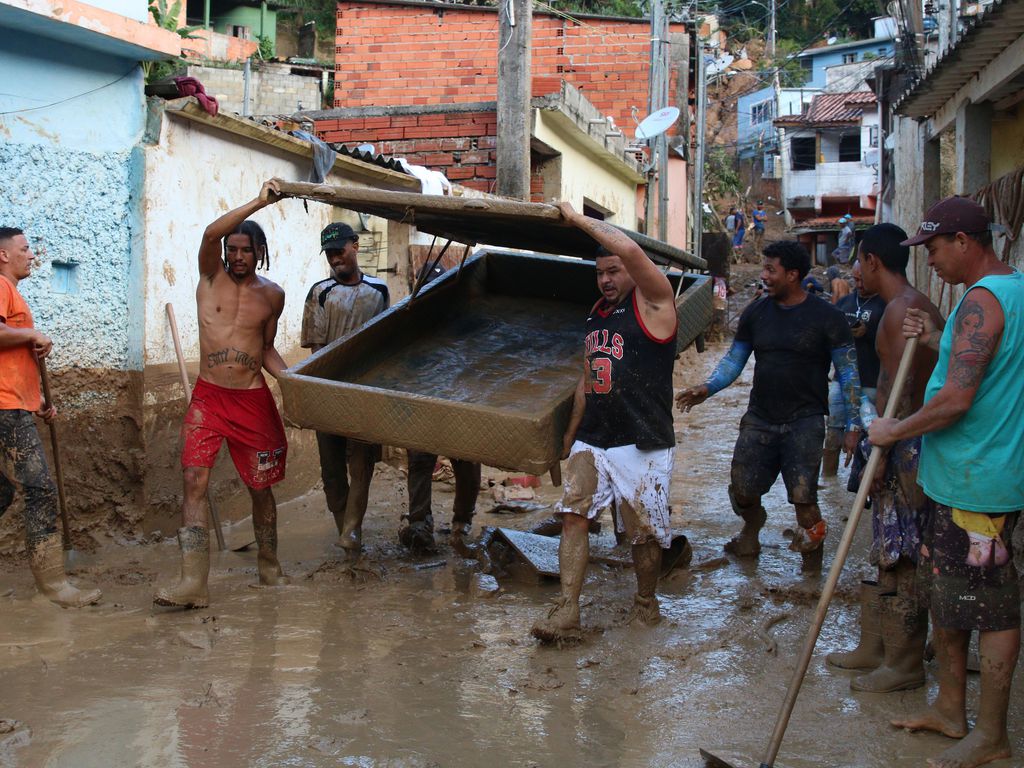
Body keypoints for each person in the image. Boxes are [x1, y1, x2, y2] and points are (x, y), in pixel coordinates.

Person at [869, 197, 1022, 768]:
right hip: (959, 474)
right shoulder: (1008, 292)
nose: (929, 262)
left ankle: (991, 734)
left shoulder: (983, 301)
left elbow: (957, 398)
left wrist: (893, 430)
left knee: (994, 610)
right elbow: (983, 367)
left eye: (932, 248)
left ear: (963, 241)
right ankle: (951, 709)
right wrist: (936, 336)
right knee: (950, 598)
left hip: (979, 482)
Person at [531, 201, 679, 644]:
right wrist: (569, 438)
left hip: (643, 439)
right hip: (594, 438)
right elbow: (587, 379)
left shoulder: (656, 302)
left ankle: (646, 604)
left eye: (613, 270)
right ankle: (567, 609)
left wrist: (577, 219)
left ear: (632, 270)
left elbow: (633, 253)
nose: (607, 279)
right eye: (600, 273)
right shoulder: (596, 313)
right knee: (573, 516)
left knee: (642, 534)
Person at [677, 241, 863, 572]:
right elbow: (734, 360)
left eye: (770, 270)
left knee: (805, 500)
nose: (764, 276)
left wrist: (852, 426)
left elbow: (848, 375)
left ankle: (811, 570)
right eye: (763, 268)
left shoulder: (828, 318)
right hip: (760, 418)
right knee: (742, 489)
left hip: (805, 422)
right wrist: (708, 387)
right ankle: (751, 527)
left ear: (792, 275)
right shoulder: (756, 313)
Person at [154, 180, 290, 609]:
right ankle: (193, 582)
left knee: (260, 489)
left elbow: (266, 349)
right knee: (193, 480)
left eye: (245, 250)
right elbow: (210, 235)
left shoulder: (273, 296)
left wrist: (294, 381)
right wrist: (259, 202)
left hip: (252, 402)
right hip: (209, 399)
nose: (236, 256)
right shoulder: (209, 278)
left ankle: (269, 566)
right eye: (232, 249)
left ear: (259, 252)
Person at [826, 224, 943, 693]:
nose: (854, 273)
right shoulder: (910, 305)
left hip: (906, 445)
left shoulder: (901, 309)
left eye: (857, 262)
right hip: (901, 438)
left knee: (907, 551)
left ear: (873, 260)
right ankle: (877, 646)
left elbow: (902, 392)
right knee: (888, 549)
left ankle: (905, 660)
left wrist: (881, 458)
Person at [0, 227, 101, 607]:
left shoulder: (12, 293)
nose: (32, 255)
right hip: (5, 406)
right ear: (4, 255)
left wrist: (37, 400)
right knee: (40, 490)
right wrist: (31, 336)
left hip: (14, 402)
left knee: (2, 491)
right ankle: (53, 586)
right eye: (25, 249)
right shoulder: (1, 285)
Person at [301, 222, 389, 560]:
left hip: (366, 393)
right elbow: (316, 352)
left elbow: (384, 343)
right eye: (330, 253)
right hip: (327, 391)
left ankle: (352, 532)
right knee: (332, 475)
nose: (336, 257)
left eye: (340, 250)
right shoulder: (320, 293)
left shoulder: (379, 291)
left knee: (362, 465)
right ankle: (346, 529)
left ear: (355, 245)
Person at [398, 260, 481, 554]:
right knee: (420, 462)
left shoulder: (466, 317)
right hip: (423, 404)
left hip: (460, 403)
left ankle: (461, 524)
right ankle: (420, 526)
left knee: (467, 465)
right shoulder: (408, 318)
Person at [822, 259, 885, 476]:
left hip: (872, 381)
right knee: (833, 431)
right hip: (841, 380)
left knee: (870, 435)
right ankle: (828, 481)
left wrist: (869, 334)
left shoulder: (885, 305)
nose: (859, 284)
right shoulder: (845, 303)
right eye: (856, 279)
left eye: (862, 279)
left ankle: (866, 481)